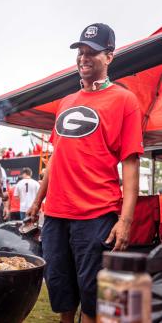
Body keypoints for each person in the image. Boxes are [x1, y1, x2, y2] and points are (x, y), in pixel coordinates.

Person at [27, 23, 143, 323]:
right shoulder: (65, 102)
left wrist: (126, 220)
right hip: (56, 216)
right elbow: (56, 157)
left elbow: (131, 163)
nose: (84, 58)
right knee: (62, 294)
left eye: (92, 52)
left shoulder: (125, 100)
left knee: (93, 301)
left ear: (110, 57)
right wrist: (38, 201)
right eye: (80, 52)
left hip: (96, 214)